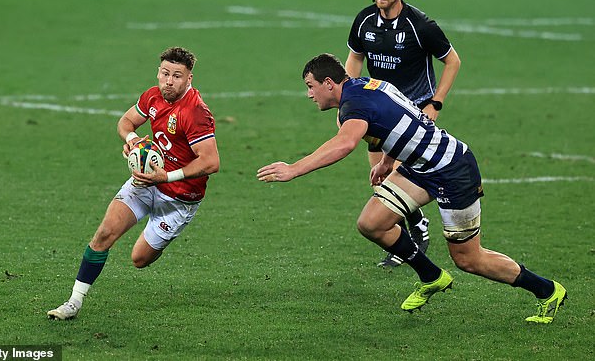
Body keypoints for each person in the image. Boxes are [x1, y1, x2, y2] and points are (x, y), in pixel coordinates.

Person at [257, 53, 566, 323]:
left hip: (452, 170)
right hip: (420, 167)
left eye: (310, 86)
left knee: (469, 259)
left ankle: (547, 290)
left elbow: (345, 144)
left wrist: (293, 169)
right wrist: (388, 161)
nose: (309, 94)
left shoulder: (354, 105)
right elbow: (398, 118)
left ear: (328, 83)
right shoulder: (366, 85)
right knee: (372, 223)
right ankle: (431, 276)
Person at [48, 47, 220, 320]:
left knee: (139, 260)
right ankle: (73, 302)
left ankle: (161, 233)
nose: (169, 81)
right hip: (144, 183)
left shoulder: (196, 112)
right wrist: (133, 141)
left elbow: (211, 162)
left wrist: (167, 176)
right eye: (165, 73)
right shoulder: (152, 96)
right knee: (104, 235)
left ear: (189, 79)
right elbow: (126, 122)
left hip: (179, 198)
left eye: (177, 76)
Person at [346, 0, 461, 267]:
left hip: (413, 112)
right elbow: (355, 58)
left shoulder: (420, 25)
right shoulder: (364, 21)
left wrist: (435, 103)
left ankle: (409, 239)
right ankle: (418, 225)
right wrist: (350, 96)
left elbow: (453, 61)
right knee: (379, 181)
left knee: (396, 175)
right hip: (376, 110)